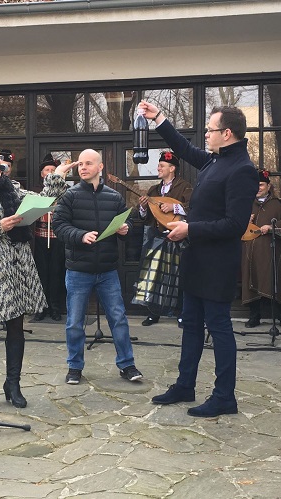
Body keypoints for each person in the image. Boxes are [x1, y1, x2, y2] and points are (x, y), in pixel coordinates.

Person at [139, 101, 258, 418]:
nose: (206, 134)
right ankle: (185, 385)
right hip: (195, 260)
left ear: (227, 133)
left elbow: (235, 225)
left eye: (210, 129)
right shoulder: (214, 162)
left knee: (219, 329)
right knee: (190, 325)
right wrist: (159, 119)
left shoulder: (242, 170)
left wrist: (190, 228)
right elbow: (183, 148)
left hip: (218, 265)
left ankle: (224, 397)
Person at [0, 136, 71, 410]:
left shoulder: (12, 188)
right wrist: (0, 226)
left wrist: (57, 175)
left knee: (17, 326)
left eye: (0, 157)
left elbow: (44, 202)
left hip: (18, 264)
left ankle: (13, 384)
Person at [52, 148, 144, 386]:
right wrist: (80, 235)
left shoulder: (114, 197)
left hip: (107, 270)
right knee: (75, 322)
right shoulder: (69, 196)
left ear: (100, 167)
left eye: (88, 163)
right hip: (78, 270)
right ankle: (74, 367)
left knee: (118, 318)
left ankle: (127, 365)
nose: (83, 168)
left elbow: (128, 222)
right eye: (80, 164)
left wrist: (125, 229)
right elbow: (58, 226)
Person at [135, 150, 192, 327]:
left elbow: (194, 207)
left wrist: (174, 208)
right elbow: (145, 217)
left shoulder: (185, 187)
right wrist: (143, 208)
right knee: (152, 275)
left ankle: (182, 314)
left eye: (161, 165)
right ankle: (153, 313)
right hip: (156, 237)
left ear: (172, 168)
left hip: (178, 237)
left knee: (179, 276)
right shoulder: (153, 190)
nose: (158, 168)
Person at [242, 168, 281, 329]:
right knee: (252, 280)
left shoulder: (279, 203)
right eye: (255, 185)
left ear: (268, 186)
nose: (258, 188)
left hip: (273, 251)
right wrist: (245, 220)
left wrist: (272, 226)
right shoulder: (245, 204)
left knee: (277, 281)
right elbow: (234, 224)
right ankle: (254, 316)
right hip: (250, 251)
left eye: (261, 185)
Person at [33, 153, 66, 322]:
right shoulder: (37, 192)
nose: (51, 173)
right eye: (48, 170)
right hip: (40, 236)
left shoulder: (63, 192)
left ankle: (55, 307)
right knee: (41, 273)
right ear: (42, 173)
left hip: (57, 237)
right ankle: (41, 307)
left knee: (56, 272)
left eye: (54, 170)